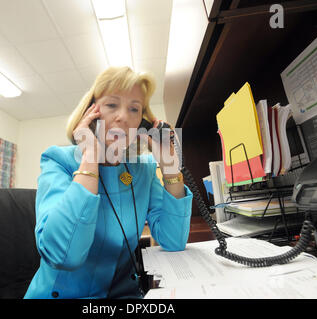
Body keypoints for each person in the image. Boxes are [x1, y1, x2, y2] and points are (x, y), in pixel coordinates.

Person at [24, 66, 193, 299]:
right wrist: (90, 159)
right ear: (91, 113)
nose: (123, 117)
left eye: (134, 109)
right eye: (112, 105)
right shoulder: (58, 161)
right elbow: (63, 256)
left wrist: (170, 167)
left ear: (142, 124)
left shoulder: (142, 170)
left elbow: (173, 241)